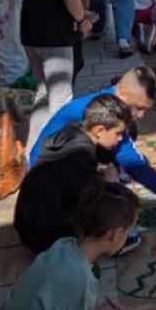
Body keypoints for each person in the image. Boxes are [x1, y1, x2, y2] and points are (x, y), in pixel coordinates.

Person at [29, 67, 156, 217]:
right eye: (139, 108)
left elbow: (133, 160)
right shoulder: (93, 116)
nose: (142, 115)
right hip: (47, 186)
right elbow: (134, 164)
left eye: (145, 110)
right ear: (122, 93)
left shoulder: (107, 105)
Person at [21, 0, 97, 155]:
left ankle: (33, 153)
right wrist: (82, 20)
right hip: (55, 35)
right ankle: (58, 157)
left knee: (44, 97)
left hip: (31, 32)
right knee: (61, 100)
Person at [14, 94, 131, 254]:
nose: (119, 139)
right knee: (112, 216)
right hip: (46, 239)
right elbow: (87, 203)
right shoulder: (80, 156)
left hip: (27, 225)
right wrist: (110, 185)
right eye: (118, 133)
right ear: (99, 130)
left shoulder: (72, 133)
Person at [6, 181, 140, 310]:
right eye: (128, 231)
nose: (128, 237)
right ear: (114, 234)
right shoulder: (81, 280)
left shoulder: (64, 245)